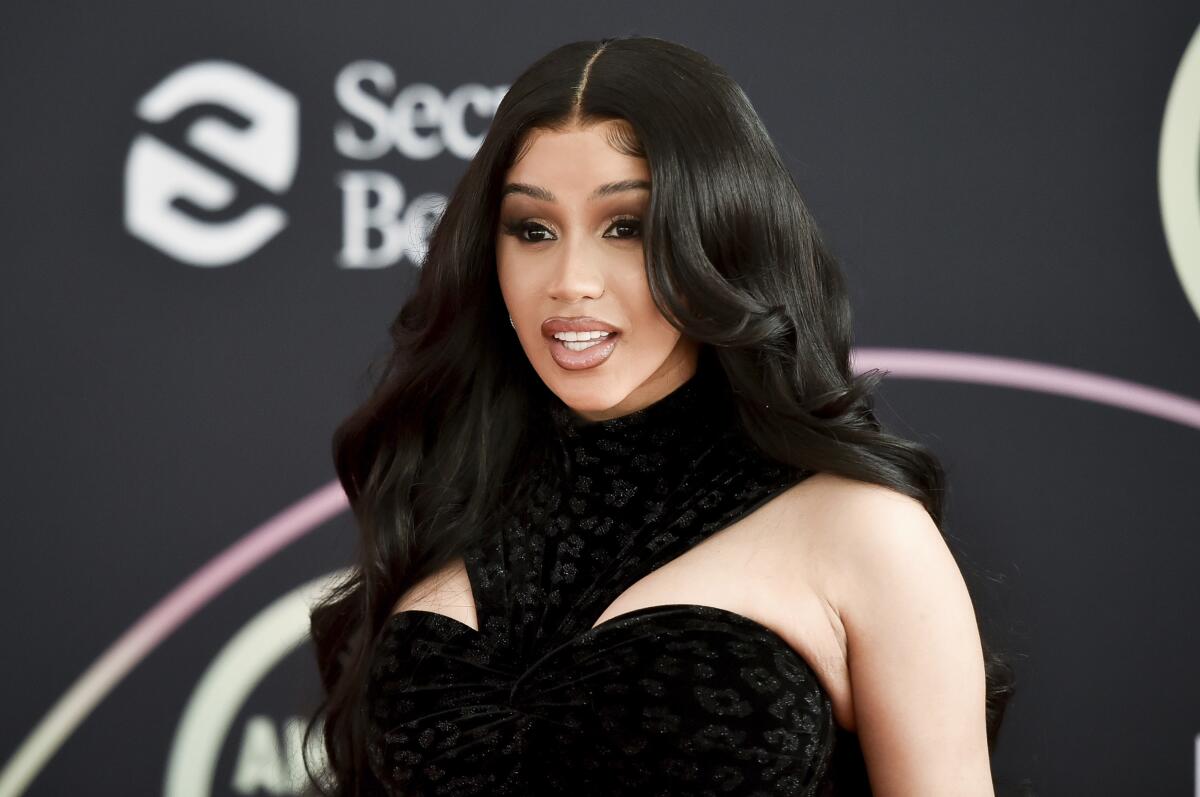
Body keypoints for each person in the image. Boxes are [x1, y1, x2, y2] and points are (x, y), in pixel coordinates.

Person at [303, 34, 1015, 796]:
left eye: (627, 227)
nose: (571, 281)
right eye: (533, 230)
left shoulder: (862, 531)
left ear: (720, 236)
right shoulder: (449, 499)